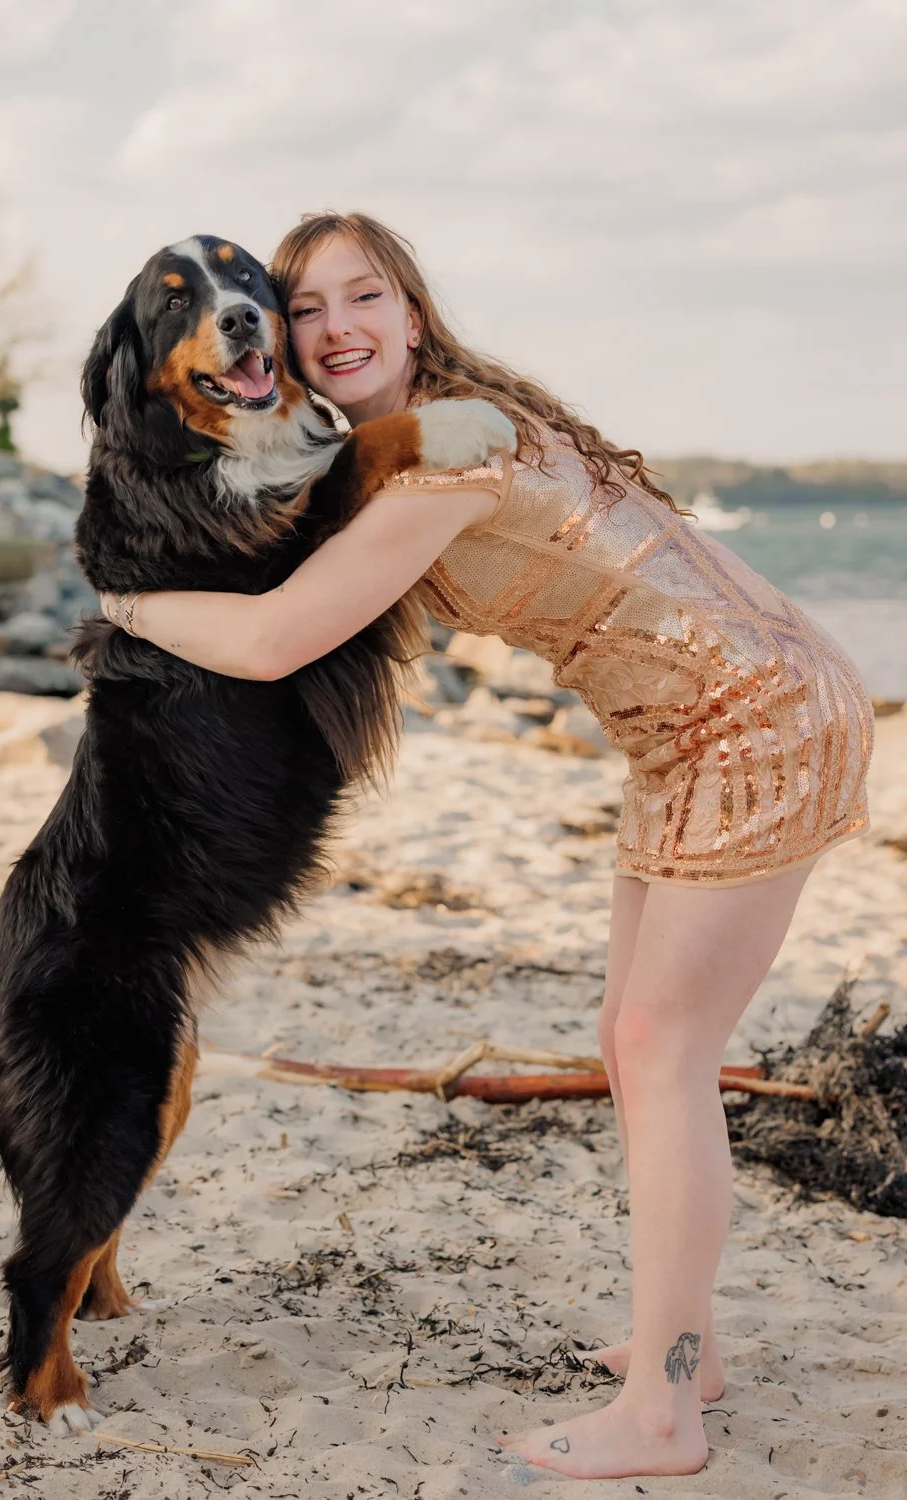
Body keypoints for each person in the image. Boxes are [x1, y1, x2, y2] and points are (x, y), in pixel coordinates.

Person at [98, 212, 873, 1481]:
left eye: (366, 298)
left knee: (658, 1049)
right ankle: (689, 1351)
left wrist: (119, 602)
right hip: (700, 724)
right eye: (307, 309)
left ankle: (664, 1416)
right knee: (637, 1036)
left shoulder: (450, 462)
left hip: (752, 722)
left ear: (413, 315)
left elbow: (272, 638)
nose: (336, 327)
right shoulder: (432, 433)